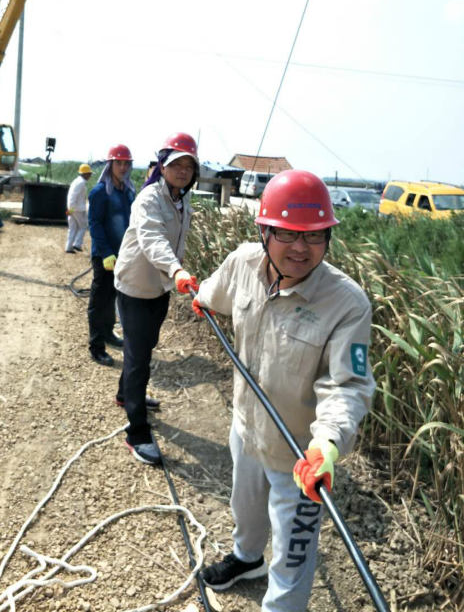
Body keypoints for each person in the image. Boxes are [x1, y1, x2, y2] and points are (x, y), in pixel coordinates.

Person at [192, 169, 376, 612]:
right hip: (246, 429)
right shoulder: (242, 263)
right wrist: (200, 299)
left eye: (314, 236)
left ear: (328, 237)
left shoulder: (346, 303)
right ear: (264, 231)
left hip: (299, 456)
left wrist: (326, 445)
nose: (300, 248)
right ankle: (246, 558)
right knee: (246, 510)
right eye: (287, 233)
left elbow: (347, 386)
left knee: (293, 556)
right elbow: (214, 293)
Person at [114, 132, 200, 466]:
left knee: (144, 347)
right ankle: (136, 432)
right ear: (163, 166)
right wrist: (176, 269)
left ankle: (126, 394)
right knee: (138, 357)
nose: (182, 171)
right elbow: (152, 239)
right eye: (176, 164)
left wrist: (177, 269)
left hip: (160, 286)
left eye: (189, 166)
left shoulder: (181, 200)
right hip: (135, 286)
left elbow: (177, 239)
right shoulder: (149, 199)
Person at [87, 145, 135, 367]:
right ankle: (96, 347)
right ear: (110, 165)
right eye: (119, 163)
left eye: (126, 163)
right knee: (99, 302)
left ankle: (108, 333)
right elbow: (95, 224)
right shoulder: (100, 192)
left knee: (112, 299)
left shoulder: (128, 192)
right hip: (104, 257)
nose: (123, 167)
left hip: (123, 256)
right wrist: (106, 253)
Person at [65, 163, 92, 253]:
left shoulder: (76, 181)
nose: (90, 175)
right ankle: (77, 244)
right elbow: (73, 196)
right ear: (85, 174)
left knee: (72, 228)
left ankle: (69, 247)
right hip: (77, 209)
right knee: (83, 226)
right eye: (89, 173)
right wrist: (71, 209)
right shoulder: (81, 183)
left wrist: (70, 209)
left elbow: (71, 196)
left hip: (72, 208)